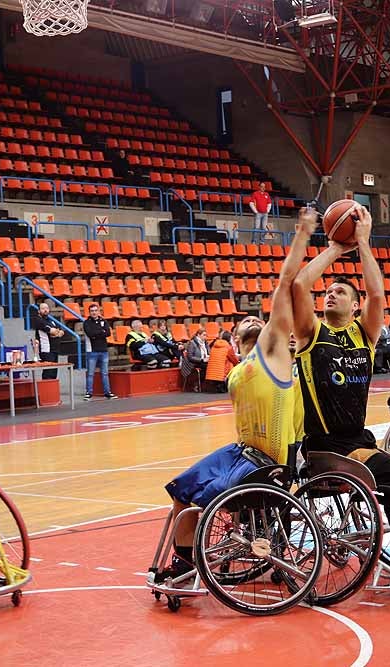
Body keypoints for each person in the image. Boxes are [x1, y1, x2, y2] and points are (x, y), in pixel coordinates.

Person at [157, 207, 314, 580]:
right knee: (181, 491)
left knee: (205, 501)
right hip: (241, 451)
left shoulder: (271, 354)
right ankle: (183, 563)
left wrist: (303, 234)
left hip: (267, 460)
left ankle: (258, 542)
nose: (255, 320)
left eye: (260, 320)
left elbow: (285, 285)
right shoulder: (240, 368)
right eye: (246, 320)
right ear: (234, 340)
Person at [291, 204, 390, 575]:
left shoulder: (364, 334)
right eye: (328, 292)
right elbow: (299, 285)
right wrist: (334, 248)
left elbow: (377, 296)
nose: (330, 295)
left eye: (340, 292)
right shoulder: (311, 332)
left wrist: (363, 242)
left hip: (357, 442)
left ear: (355, 304)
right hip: (325, 445)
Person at [82, 303, 116, 400]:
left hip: (104, 350)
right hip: (92, 351)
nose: (94, 312)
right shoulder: (86, 322)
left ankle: (107, 392)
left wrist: (97, 333)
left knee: (105, 373)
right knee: (90, 373)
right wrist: (101, 332)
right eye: (92, 311)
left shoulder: (103, 321)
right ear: (89, 312)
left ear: (98, 311)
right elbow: (90, 334)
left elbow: (108, 333)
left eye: (95, 310)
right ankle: (89, 393)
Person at [30, 302, 63, 380]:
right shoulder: (38, 320)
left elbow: (61, 332)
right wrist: (55, 332)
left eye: (47, 308)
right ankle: (45, 387)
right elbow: (52, 331)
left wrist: (56, 333)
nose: (45, 310)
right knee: (48, 373)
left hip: (54, 349)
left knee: (54, 373)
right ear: (39, 311)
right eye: (43, 308)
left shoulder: (51, 320)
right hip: (46, 350)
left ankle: (52, 387)